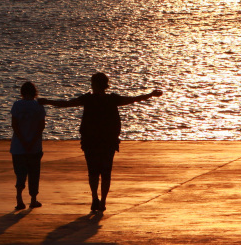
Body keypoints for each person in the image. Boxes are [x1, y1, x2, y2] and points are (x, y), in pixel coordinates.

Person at [39, 73, 162, 212]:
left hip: (91, 141)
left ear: (95, 85)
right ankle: (102, 201)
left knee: (93, 172)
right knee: (105, 172)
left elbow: (67, 103)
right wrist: (150, 94)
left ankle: (94, 198)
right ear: (105, 85)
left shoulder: (88, 99)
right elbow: (132, 99)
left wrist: (48, 101)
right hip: (107, 141)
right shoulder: (112, 99)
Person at [10, 81, 46, 211]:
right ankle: (33, 199)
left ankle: (19, 198)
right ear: (34, 92)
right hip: (34, 147)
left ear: (22, 92)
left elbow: (14, 125)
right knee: (34, 174)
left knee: (20, 173)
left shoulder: (17, 105)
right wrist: (31, 142)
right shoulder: (38, 106)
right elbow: (41, 126)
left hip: (18, 147)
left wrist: (23, 141)